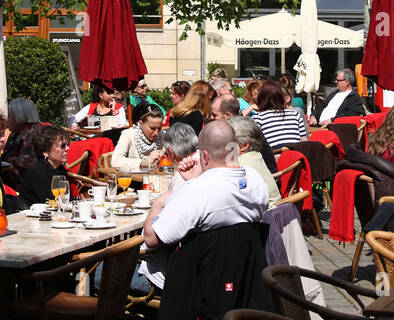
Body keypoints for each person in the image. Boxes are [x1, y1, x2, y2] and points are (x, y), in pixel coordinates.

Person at [143, 120, 270, 249]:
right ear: (235, 148)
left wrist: (158, 202)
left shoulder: (193, 193)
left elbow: (151, 239)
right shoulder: (255, 179)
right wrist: (194, 180)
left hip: (199, 266)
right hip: (246, 262)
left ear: (204, 155)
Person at [14, 123, 72, 211]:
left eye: (68, 145)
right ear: (45, 152)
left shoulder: (60, 169)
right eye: (62, 146)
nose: (67, 148)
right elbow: (52, 203)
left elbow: (66, 201)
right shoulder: (38, 172)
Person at [228, 116, 283, 206]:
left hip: (263, 216)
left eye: (228, 141)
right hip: (274, 211)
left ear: (244, 145)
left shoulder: (241, 166)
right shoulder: (256, 156)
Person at [250, 80, 308, 149]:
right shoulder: (295, 115)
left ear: (261, 99)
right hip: (296, 158)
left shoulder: (258, 118)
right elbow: (304, 142)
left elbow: (253, 146)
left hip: (274, 158)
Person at [111, 103, 166, 173]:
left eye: (159, 128)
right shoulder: (129, 135)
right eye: (152, 128)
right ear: (141, 123)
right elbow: (116, 160)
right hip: (133, 181)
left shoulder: (163, 135)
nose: (156, 133)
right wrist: (144, 162)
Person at [0, 98, 40, 186]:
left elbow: (25, 167)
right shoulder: (16, 132)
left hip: (24, 186)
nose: (7, 120)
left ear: (18, 117)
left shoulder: (31, 134)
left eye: (9, 116)